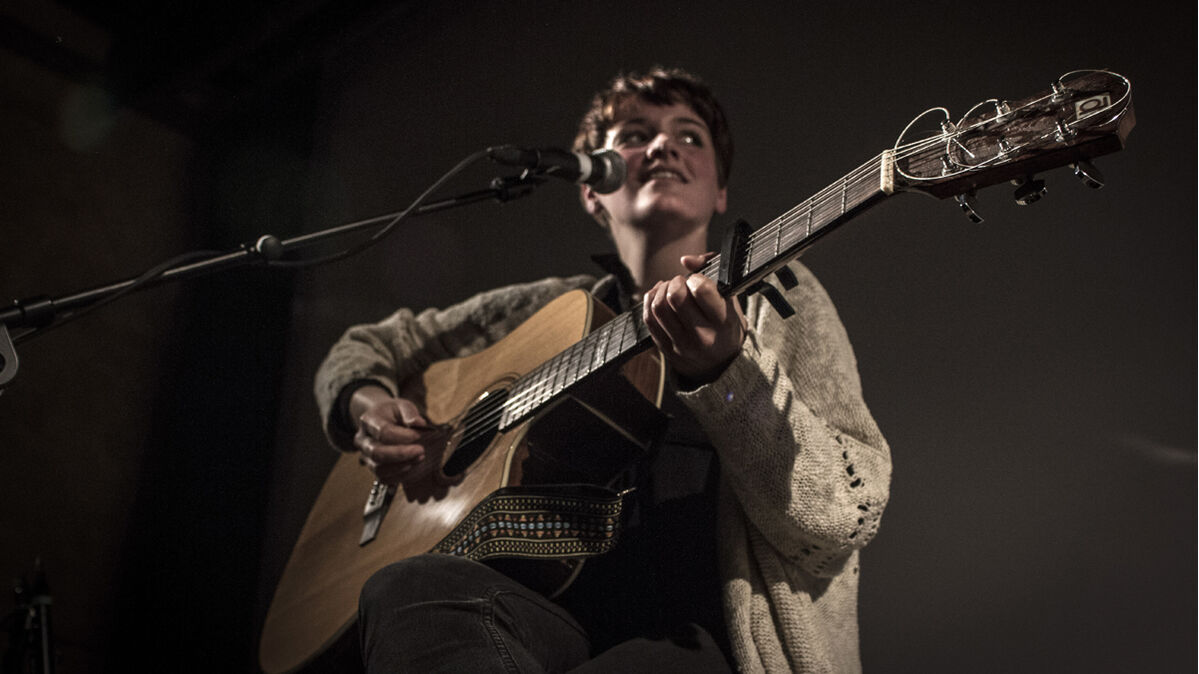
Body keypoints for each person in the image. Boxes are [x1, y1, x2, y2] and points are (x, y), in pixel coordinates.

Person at [314, 66, 891, 673]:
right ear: (592, 188)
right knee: (403, 589)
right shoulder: (545, 310)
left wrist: (727, 371)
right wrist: (369, 406)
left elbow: (843, 517)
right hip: (545, 622)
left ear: (719, 190)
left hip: (703, 641)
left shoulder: (779, 296)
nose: (664, 145)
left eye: (689, 137)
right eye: (635, 134)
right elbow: (368, 344)